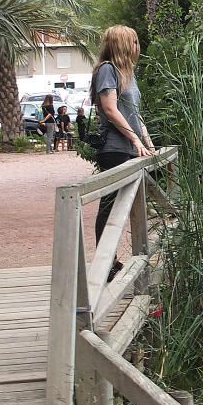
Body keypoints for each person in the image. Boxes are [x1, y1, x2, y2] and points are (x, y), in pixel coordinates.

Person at [90, 25, 154, 281]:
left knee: (125, 207)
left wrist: (148, 145)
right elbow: (110, 108)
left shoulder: (129, 74)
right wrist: (134, 139)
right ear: (123, 45)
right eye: (134, 42)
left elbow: (134, 115)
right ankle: (105, 263)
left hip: (130, 147)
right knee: (110, 207)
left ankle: (111, 262)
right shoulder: (108, 70)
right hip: (115, 149)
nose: (138, 47)